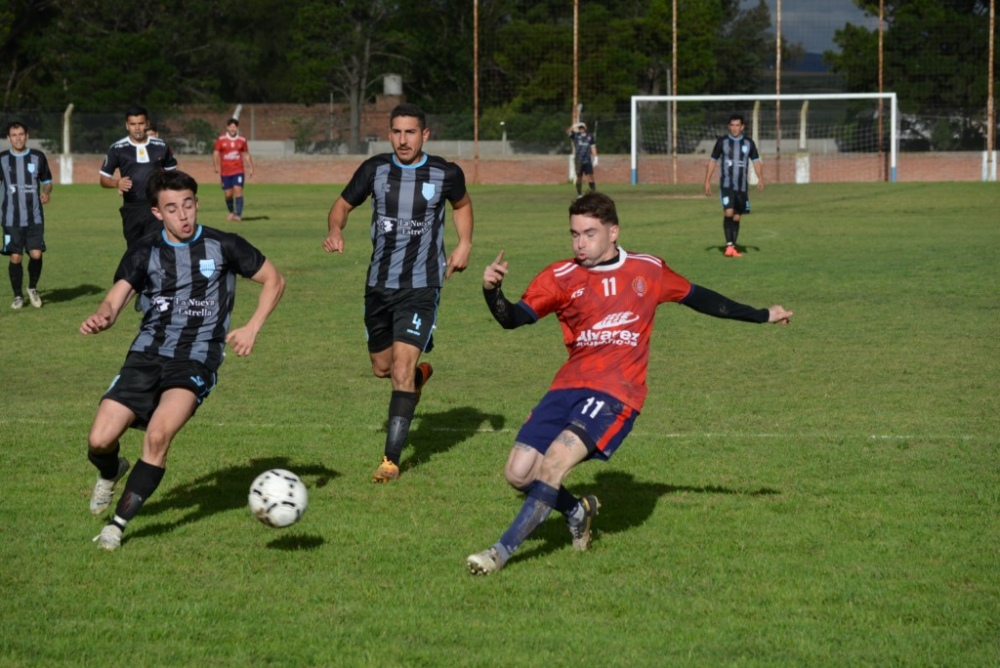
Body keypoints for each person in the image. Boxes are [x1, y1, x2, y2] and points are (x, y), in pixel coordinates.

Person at [466, 192, 792, 575]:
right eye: (574, 234)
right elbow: (513, 318)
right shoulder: (560, 276)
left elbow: (700, 297)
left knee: (553, 465)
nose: (580, 243)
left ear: (613, 232)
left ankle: (499, 553)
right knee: (518, 473)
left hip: (616, 392)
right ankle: (577, 510)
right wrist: (492, 292)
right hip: (567, 386)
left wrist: (759, 315)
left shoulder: (647, 270)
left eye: (589, 234)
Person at [82, 170, 285, 551]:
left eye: (188, 204)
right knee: (100, 439)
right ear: (158, 213)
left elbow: (274, 279)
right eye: (172, 208)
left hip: (195, 359)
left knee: (158, 437)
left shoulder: (223, 245)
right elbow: (115, 299)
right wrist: (102, 317)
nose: (183, 215)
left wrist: (252, 327)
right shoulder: (145, 250)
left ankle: (117, 526)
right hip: (145, 356)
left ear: (196, 202)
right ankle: (112, 471)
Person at [323, 102, 474, 483]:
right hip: (378, 286)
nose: (403, 139)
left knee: (400, 371)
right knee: (383, 369)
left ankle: (390, 460)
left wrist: (464, 243)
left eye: (410, 132)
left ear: (425, 135)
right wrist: (336, 229)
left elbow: (462, 205)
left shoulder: (445, 173)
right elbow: (341, 205)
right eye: (396, 132)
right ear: (389, 134)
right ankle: (418, 380)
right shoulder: (375, 170)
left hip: (421, 286)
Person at [100, 105, 179, 249]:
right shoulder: (117, 149)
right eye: (133, 124)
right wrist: (116, 183)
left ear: (147, 124)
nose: (137, 128)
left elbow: (173, 175)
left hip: (156, 207)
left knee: (157, 248)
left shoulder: (161, 146)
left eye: (141, 124)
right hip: (132, 208)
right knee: (134, 251)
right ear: (127, 125)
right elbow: (103, 179)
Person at [1, 122, 52, 309]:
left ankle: (32, 287)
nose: (18, 138)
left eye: (21, 134)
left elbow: (47, 181)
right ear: (8, 138)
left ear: (27, 136)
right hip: (10, 218)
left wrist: (47, 191)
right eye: (14, 135)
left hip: (34, 217)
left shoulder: (38, 157)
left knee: (36, 254)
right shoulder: (2, 159)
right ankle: (17, 296)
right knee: (15, 257)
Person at [703, 113, 764, 258]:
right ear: (729, 126)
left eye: (737, 125)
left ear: (742, 127)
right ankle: (729, 246)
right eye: (732, 125)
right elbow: (713, 161)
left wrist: (761, 178)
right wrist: (707, 181)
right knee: (728, 212)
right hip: (726, 185)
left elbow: (755, 160)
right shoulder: (722, 142)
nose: (735, 128)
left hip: (742, 187)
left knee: (737, 217)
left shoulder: (749, 143)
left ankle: (732, 246)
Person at [212, 117, 255, 222]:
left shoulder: (242, 140)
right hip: (226, 172)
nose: (232, 129)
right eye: (230, 126)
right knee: (228, 195)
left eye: (234, 127)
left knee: (238, 191)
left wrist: (251, 168)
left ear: (237, 127)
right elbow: (215, 153)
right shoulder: (221, 140)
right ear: (227, 127)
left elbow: (246, 154)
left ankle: (238, 215)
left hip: (238, 170)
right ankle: (231, 212)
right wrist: (216, 165)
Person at [566, 121, 598, 197]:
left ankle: (593, 193)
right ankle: (579, 194)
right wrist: (573, 126)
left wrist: (596, 157)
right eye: (580, 128)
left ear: (585, 128)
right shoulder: (576, 135)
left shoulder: (589, 136)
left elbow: (593, 147)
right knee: (579, 177)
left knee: (590, 177)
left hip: (587, 160)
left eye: (582, 127)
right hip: (579, 160)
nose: (581, 129)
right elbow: (568, 132)